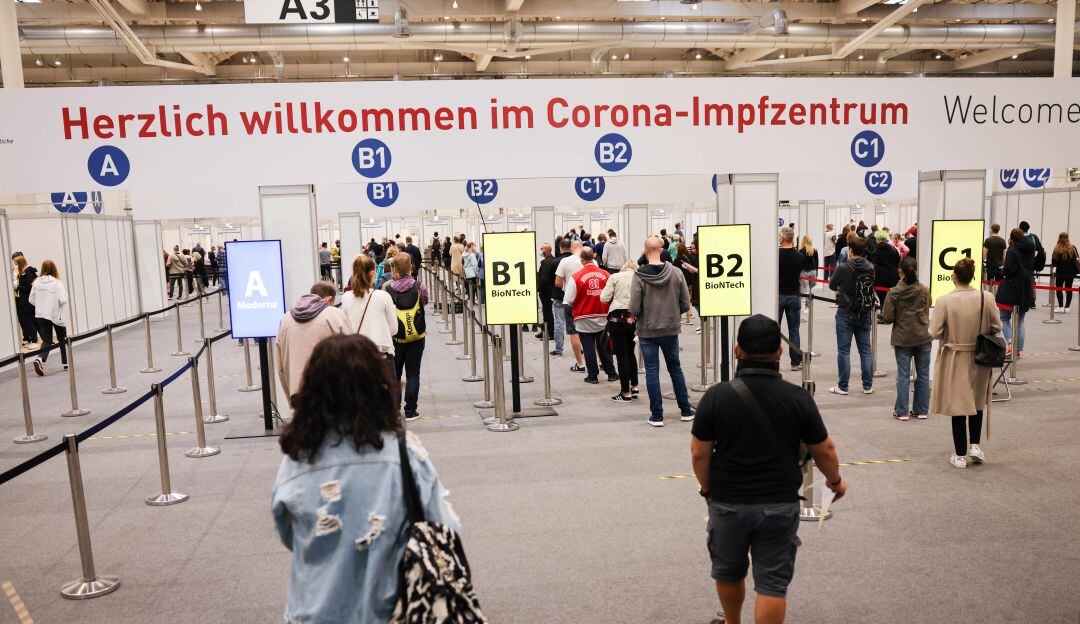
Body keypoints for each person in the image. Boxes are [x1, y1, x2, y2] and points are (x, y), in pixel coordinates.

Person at [272, 333, 459, 624]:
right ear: (379, 385)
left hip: (316, 610)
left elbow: (289, 534)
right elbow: (446, 527)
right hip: (392, 609)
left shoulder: (297, 458)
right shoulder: (405, 455)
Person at [690, 315, 846, 624]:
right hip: (778, 502)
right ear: (779, 353)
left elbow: (699, 453)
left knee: (729, 570)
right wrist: (835, 481)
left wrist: (708, 490)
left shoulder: (716, 397)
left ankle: (732, 621)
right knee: (772, 584)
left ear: (737, 351)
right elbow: (824, 449)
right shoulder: (797, 398)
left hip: (728, 501)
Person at [929, 258, 1001, 469]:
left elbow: (933, 332)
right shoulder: (985, 297)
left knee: (958, 405)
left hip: (955, 357)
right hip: (980, 356)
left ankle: (960, 454)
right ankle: (975, 446)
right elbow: (996, 326)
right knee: (977, 402)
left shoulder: (944, 301)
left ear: (954, 276)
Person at [629, 236, 695, 427]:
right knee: (675, 368)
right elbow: (685, 303)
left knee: (652, 370)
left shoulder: (639, 275)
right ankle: (685, 410)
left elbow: (634, 308)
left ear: (645, 250)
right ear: (662, 247)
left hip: (647, 330)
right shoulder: (676, 273)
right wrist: (672, 314)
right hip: (671, 328)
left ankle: (657, 416)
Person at [275, 281, 350, 401]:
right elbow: (351, 356)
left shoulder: (285, 320)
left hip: (298, 393)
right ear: (330, 300)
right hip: (331, 392)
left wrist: (290, 397)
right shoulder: (336, 315)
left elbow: (280, 367)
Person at [881, 257, 932, 421]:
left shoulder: (894, 292)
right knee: (923, 374)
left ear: (900, 271)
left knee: (903, 375)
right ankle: (921, 410)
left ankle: (902, 411)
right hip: (923, 335)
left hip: (903, 337)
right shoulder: (924, 289)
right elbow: (927, 307)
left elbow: (887, 317)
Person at [828, 236, 875, 395]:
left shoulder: (843, 267)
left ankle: (843, 386)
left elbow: (832, 285)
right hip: (865, 311)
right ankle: (867, 386)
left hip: (845, 312)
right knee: (865, 350)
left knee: (844, 351)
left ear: (850, 250)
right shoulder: (870, 266)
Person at [385, 255, 428, 422]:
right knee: (413, 373)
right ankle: (410, 411)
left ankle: (395, 411)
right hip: (416, 336)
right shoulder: (420, 287)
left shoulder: (386, 289)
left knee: (395, 375)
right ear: (411, 267)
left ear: (393, 268)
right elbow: (424, 302)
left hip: (396, 338)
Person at [563, 248, 616, 384]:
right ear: (593, 257)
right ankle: (611, 372)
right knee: (603, 345)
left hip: (583, 316)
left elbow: (569, 299)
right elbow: (612, 294)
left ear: (581, 260)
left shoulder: (576, 276)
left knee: (588, 347)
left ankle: (593, 375)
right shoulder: (605, 274)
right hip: (602, 315)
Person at [341, 255, 398, 367]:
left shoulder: (346, 297)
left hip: (356, 355)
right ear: (372, 274)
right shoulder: (383, 296)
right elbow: (393, 329)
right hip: (381, 354)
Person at [601, 260, 640, 402]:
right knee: (631, 353)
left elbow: (604, 298)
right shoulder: (640, 277)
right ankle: (634, 387)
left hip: (617, 320)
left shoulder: (615, 277)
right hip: (634, 319)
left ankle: (625, 392)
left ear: (623, 268)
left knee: (621, 356)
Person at [996, 228, 1034, 357]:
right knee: (1020, 321)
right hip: (1025, 287)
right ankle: (1017, 349)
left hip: (1011, 288)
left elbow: (1008, 270)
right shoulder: (1030, 249)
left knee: (1004, 318)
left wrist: (1003, 270)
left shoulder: (1012, 250)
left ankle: (1011, 345)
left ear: (1012, 238)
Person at [28, 260, 69, 376]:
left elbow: (31, 299)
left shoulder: (36, 282)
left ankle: (39, 359)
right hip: (56, 314)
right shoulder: (57, 283)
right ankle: (65, 363)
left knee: (47, 340)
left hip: (41, 314)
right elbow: (63, 300)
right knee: (62, 339)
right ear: (54, 269)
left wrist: (42, 304)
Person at [554, 240, 586, 371]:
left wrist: (566, 285)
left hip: (571, 300)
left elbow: (557, 282)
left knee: (574, 332)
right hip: (588, 300)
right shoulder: (591, 261)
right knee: (593, 333)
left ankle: (580, 364)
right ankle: (598, 362)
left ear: (572, 248)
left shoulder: (565, 262)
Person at [776, 227, 804, 371]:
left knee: (775, 330)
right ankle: (795, 363)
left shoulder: (775, 255)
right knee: (794, 330)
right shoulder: (799, 255)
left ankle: (773, 362)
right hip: (794, 295)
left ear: (782, 238)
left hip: (778, 295)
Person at [871, 230, 900, 312]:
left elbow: (874, 263)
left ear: (878, 239)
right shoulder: (893, 249)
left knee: (882, 297)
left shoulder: (876, 250)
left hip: (880, 277)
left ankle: (884, 314)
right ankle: (890, 313)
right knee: (891, 297)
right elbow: (898, 261)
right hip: (892, 277)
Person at [12, 255, 38, 347]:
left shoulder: (28, 273)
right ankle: (32, 339)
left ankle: (35, 340)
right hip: (22, 300)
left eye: (16, 263)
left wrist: (17, 287)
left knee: (30, 320)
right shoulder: (22, 273)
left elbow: (29, 288)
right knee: (25, 320)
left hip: (27, 301)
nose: (14, 266)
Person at [1051, 232, 1078, 312]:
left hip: (1060, 272)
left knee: (1059, 288)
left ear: (1059, 238)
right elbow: (1077, 258)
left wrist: (1054, 269)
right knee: (1069, 288)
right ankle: (1067, 307)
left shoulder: (1057, 248)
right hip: (1070, 272)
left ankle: (1060, 306)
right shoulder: (1073, 247)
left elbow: (1054, 260)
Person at [537, 243, 558, 341]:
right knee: (546, 311)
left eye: (542, 249)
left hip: (546, 291)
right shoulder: (551, 260)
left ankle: (550, 332)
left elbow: (544, 278)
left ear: (548, 250)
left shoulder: (547, 262)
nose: (541, 250)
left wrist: (538, 288)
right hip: (549, 290)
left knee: (547, 312)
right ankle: (545, 330)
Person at [798, 235, 818, 312]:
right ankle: (809, 307)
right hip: (813, 271)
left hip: (804, 272)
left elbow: (800, 263)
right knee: (811, 289)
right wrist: (816, 273)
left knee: (806, 289)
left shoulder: (801, 251)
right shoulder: (814, 250)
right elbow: (817, 263)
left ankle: (805, 307)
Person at [982, 223, 1007, 288]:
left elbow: (985, 253)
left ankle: (990, 296)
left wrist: (982, 261)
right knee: (999, 284)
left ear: (991, 230)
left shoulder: (988, 240)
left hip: (990, 266)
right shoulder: (1002, 241)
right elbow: (1004, 255)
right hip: (999, 267)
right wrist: (1004, 265)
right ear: (998, 230)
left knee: (990, 284)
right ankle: (998, 297)